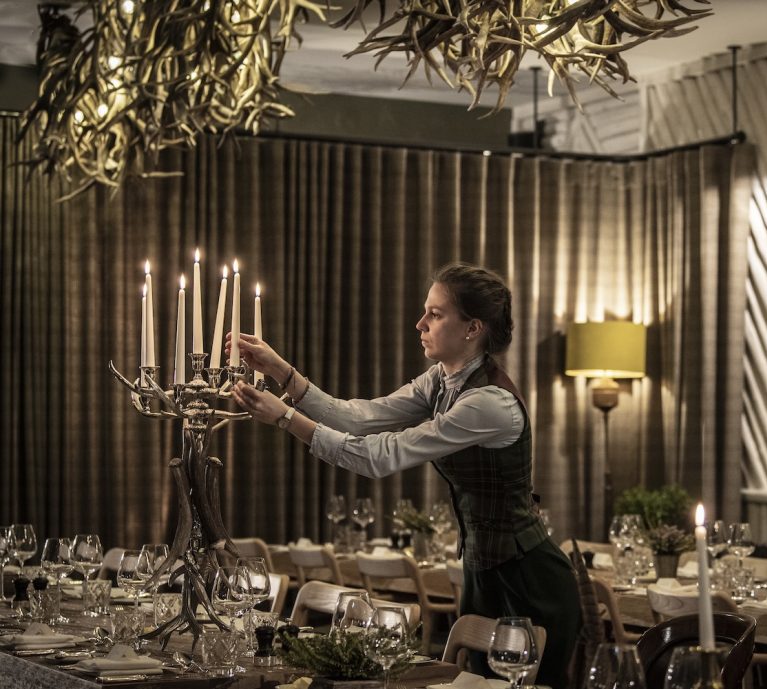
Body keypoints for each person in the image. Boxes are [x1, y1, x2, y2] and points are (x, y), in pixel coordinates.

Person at [230, 262, 581, 688]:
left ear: (472, 328)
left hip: (530, 577)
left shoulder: (490, 402)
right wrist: (283, 372)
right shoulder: (441, 381)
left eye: (435, 314)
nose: (420, 323)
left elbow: (380, 456)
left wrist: (287, 418)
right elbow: (358, 418)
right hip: (481, 568)